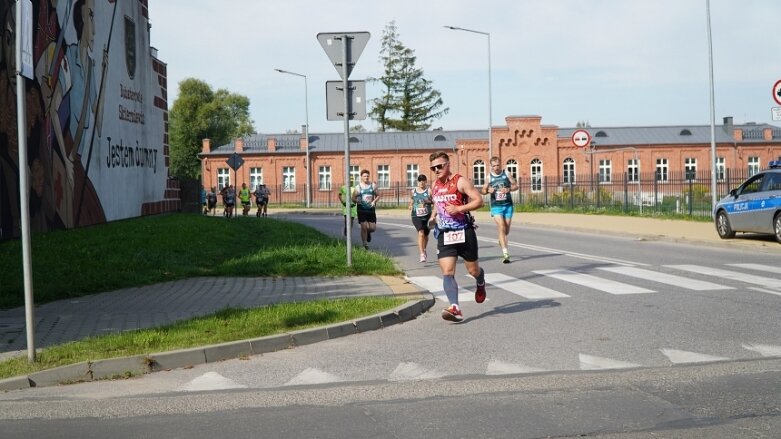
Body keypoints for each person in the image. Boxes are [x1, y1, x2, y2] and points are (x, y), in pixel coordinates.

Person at [428, 151, 486, 323]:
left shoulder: (460, 181)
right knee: (447, 272)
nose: (436, 170)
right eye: (433, 168)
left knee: (473, 270)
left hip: (464, 231)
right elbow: (438, 205)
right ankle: (455, 307)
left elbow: (479, 200)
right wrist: (433, 216)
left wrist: (460, 209)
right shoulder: (435, 185)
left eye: (439, 166)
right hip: (445, 233)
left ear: (448, 164)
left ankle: (480, 281)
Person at [483, 156, 519, 263]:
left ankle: (501, 239)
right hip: (496, 206)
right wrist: (488, 190)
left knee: (506, 231)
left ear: (500, 165)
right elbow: (483, 190)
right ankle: (505, 254)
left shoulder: (506, 173)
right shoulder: (489, 177)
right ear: (491, 166)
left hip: (508, 205)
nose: (496, 167)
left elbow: (516, 186)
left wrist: (508, 189)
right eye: (493, 166)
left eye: (497, 165)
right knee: (501, 226)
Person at [352, 170, 380, 249]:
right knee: (363, 227)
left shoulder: (373, 186)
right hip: (361, 210)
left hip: (371, 210)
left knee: (372, 228)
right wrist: (356, 200)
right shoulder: (358, 187)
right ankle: (365, 244)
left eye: (367, 176)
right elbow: (353, 198)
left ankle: (368, 233)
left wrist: (374, 201)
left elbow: (378, 195)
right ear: (361, 177)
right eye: (364, 176)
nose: (366, 177)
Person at [408, 174, 433, 262]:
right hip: (416, 215)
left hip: (427, 216)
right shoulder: (413, 191)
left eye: (423, 180)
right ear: (417, 182)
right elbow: (412, 199)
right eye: (420, 181)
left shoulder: (429, 191)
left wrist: (427, 201)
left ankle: (424, 249)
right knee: (421, 233)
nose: (421, 182)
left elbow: (434, 201)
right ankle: (421, 254)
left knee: (426, 236)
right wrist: (410, 205)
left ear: (426, 182)